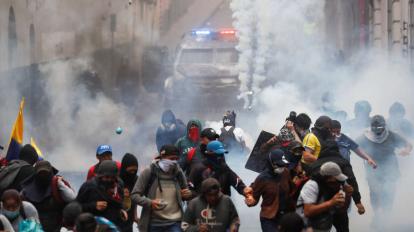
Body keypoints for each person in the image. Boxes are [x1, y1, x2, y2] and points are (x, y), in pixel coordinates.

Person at [356, 115, 412, 230]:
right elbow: (354, 147)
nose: (377, 131)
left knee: (389, 192)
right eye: (375, 128)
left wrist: (406, 150)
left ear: (384, 127)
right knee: (375, 193)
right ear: (371, 127)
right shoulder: (364, 137)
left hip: (390, 169)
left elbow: (408, 145)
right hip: (373, 169)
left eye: (380, 128)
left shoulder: (391, 135)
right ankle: (377, 215)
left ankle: (386, 216)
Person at [131, 145, 191, 232]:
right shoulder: (149, 172)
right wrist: (150, 203)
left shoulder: (178, 172)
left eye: (176, 159)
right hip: (154, 223)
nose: (174, 162)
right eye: (171, 158)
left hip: (175, 223)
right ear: (162, 157)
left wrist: (186, 194)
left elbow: (186, 192)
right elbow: (134, 195)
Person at [309, 148, 364, 232]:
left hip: (319, 204)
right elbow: (351, 179)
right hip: (336, 201)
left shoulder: (313, 165)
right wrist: (358, 201)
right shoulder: (343, 162)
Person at [245, 149, 295, 232]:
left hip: (285, 216)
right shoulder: (262, 178)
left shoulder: (285, 172)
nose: (281, 167)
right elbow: (253, 198)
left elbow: (291, 190)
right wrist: (250, 200)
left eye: (282, 165)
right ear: (271, 163)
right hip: (269, 218)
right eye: (278, 165)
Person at [296, 162, 353, 232]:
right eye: (336, 180)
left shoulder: (334, 187)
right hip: (306, 228)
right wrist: (331, 202)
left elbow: (341, 210)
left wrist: (348, 195)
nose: (338, 183)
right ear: (326, 177)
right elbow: (308, 211)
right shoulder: (312, 185)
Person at [21, 160, 76, 232]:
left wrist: (60, 184)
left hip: (57, 227)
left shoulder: (56, 186)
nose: (43, 176)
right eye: (41, 173)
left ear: (50, 173)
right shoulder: (27, 190)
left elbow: (72, 198)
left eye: (45, 173)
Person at [77, 160, 128, 229]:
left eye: (112, 177)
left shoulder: (119, 185)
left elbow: (119, 203)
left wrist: (121, 210)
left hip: (114, 226)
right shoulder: (89, 186)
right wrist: (94, 205)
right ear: (100, 176)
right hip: (94, 227)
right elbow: (77, 207)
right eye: (106, 177)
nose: (109, 180)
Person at [119, 153, 139, 232]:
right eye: (130, 170)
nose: (133, 173)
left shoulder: (136, 179)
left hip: (129, 217)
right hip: (116, 216)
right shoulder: (116, 179)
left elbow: (136, 198)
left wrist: (135, 215)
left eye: (135, 170)